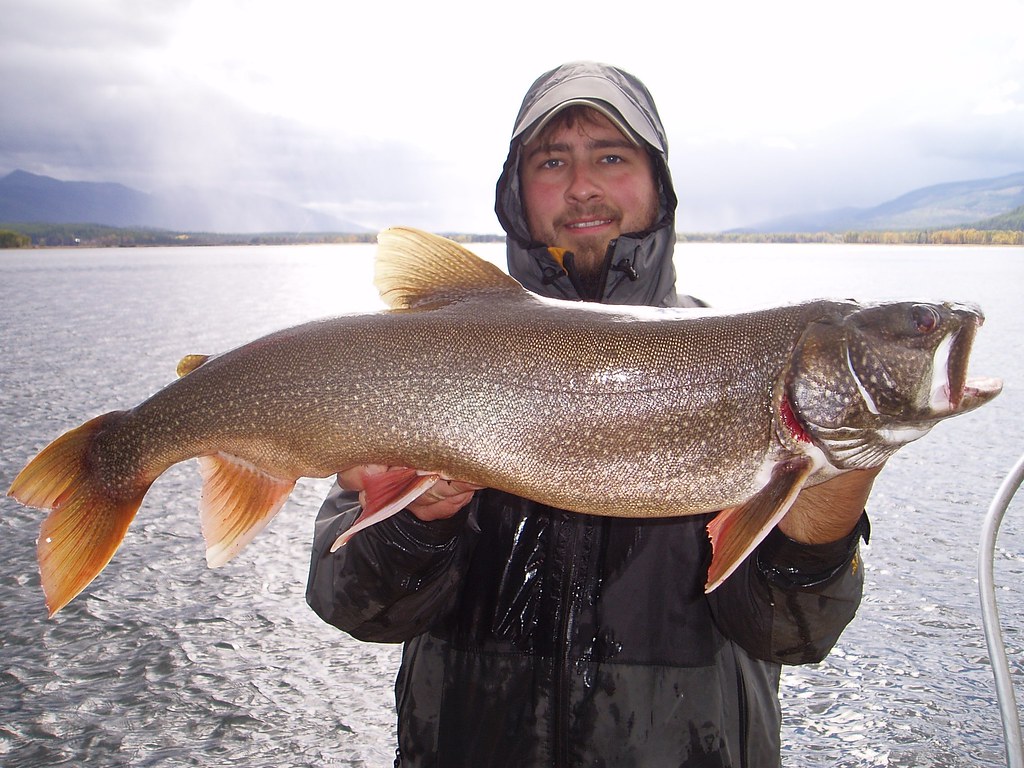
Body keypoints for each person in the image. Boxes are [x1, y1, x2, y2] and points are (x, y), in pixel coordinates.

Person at [307, 61, 876, 767]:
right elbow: (355, 607)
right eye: (552, 161)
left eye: (611, 156)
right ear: (516, 193)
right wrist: (419, 521)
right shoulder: (432, 358)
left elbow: (794, 636)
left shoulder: (749, 364)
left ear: (657, 184)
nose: (582, 186)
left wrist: (828, 506)